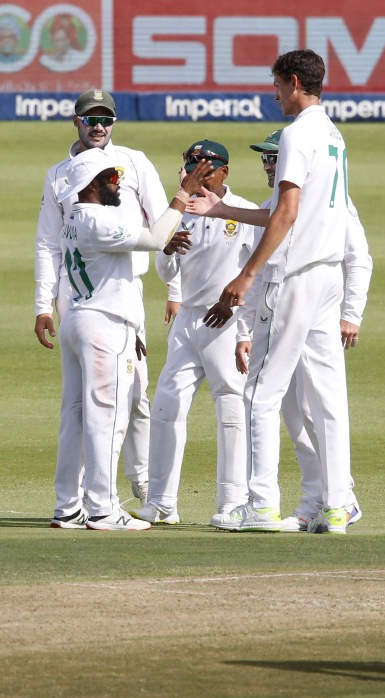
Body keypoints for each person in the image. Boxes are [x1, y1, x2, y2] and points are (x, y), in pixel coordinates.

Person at [201, 51, 355, 534]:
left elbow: (286, 212)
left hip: (294, 279)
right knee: (330, 399)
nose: (274, 95)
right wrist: (221, 211)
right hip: (329, 276)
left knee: (260, 394)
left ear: (293, 82)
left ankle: (260, 506)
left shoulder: (296, 133)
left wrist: (246, 275)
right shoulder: (333, 134)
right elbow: (284, 209)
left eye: (276, 86)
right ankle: (336, 505)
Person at [48, 149, 214, 530]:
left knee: (74, 417)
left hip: (80, 318)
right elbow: (157, 236)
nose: (118, 182)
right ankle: (104, 509)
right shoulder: (96, 220)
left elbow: (149, 242)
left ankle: (67, 506)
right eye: (110, 177)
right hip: (104, 324)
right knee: (108, 417)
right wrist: (183, 193)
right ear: (91, 184)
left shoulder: (75, 217)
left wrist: (162, 241)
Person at [35, 88, 167, 508]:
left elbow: (162, 226)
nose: (98, 126)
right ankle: (91, 501)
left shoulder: (134, 162)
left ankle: (139, 483)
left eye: (105, 119)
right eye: (90, 119)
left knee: (136, 396)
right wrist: (44, 302)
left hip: (124, 293)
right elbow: (47, 244)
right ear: (76, 121)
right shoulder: (60, 174)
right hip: (92, 302)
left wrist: (176, 291)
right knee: (88, 406)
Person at [129, 141, 257, 525]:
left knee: (231, 408)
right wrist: (167, 249)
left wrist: (244, 330)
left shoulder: (246, 211)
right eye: (193, 167)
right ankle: (163, 503)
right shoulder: (179, 212)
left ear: (225, 172)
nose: (200, 173)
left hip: (227, 321)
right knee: (167, 406)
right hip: (188, 322)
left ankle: (232, 503)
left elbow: (258, 274)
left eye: (208, 167)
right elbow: (166, 275)